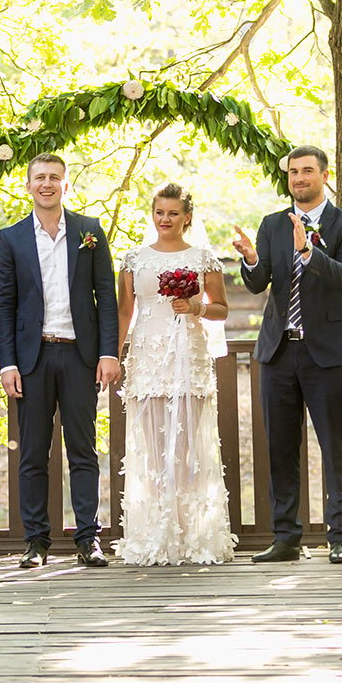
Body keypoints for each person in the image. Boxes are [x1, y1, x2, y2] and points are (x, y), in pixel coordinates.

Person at [230, 145, 342, 565]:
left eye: (307, 171)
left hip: (328, 354)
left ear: (325, 175)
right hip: (278, 351)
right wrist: (252, 261)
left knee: (335, 446)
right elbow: (257, 284)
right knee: (280, 447)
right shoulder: (272, 224)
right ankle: (286, 537)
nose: (299, 179)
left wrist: (309, 250)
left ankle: (340, 536)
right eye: (293, 172)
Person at [0, 154, 119, 569]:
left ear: (66, 185)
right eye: (40, 178)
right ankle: (36, 542)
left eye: (55, 178)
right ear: (28, 185)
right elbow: (5, 306)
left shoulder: (90, 231)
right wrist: (8, 363)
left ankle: (88, 539)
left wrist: (107, 352)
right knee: (33, 454)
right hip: (33, 358)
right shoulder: (11, 238)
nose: (47, 184)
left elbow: (106, 296)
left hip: (81, 356)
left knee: (83, 449)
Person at [114, 183, 234, 566]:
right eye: (159, 213)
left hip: (189, 357)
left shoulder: (204, 258)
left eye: (172, 213)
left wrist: (196, 306)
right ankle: (154, 533)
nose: (165, 220)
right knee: (151, 451)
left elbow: (222, 309)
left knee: (187, 451)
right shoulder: (133, 260)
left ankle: (192, 534)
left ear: (187, 218)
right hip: (148, 358)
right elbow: (124, 313)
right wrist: (115, 354)